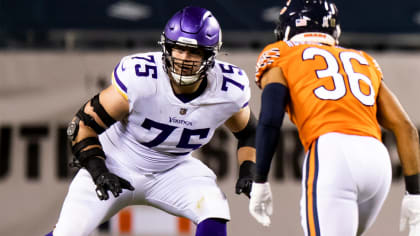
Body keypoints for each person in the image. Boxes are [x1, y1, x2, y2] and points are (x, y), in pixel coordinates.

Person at [46, 6, 257, 236]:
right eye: (178, 49)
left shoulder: (227, 89)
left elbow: (250, 132)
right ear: (167, 47)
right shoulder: (141, 78)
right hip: (116, 162)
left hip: (174, 168)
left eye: (194, 52)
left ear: (210, 55)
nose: (184, 59)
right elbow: (81, 126)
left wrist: (249, 170)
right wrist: (98, 170)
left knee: (215, 207)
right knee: (67, 232)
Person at [248, 0, 420, 235]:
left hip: (333, 153)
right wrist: (415, 194)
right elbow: (406, 127)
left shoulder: (280, 53)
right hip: (377, 160)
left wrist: (259, 179)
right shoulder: (362, 59)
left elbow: (270, 119)